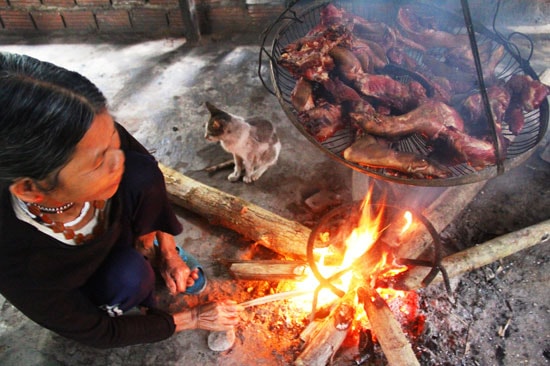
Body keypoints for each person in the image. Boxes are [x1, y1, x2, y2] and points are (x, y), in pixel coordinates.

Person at [0, 52, 242, 348]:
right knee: (129, 277)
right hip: (88, 281)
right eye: (97, 162)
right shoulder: (17, 259)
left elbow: (144, 174)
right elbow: (97, 332)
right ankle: (132, 289)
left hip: (123, 234)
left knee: (141, 171)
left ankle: (150, 251)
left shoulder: (92, 134)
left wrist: (168, 252)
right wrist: (193, 319)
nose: (117, 161)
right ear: (30, 190)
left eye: (112, 138)